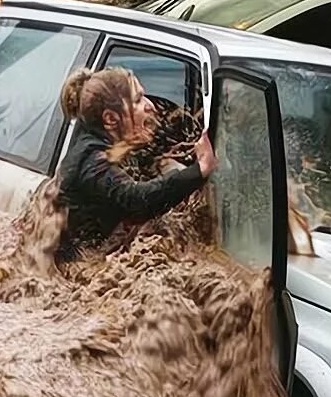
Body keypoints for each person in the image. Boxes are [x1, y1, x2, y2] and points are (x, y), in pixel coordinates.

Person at [55, 67, 216, 261]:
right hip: (75, 269)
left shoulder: (99, 133)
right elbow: (138, 201)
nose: (150, 106)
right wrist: (200, 169)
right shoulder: (89, 161)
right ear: (110, 119)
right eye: (138, 99)